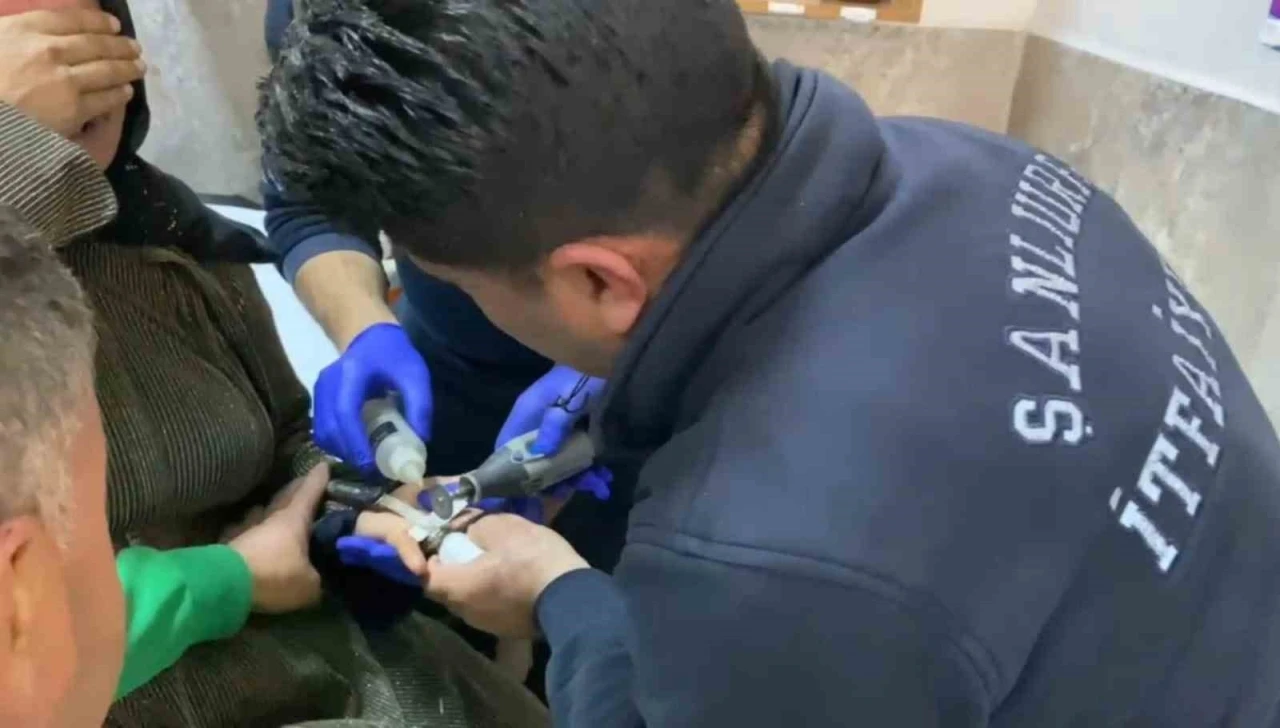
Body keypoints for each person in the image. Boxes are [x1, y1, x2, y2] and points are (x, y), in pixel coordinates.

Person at [260, 0, 1280, 725]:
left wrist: (560, 593)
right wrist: (635, 389)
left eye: (453, 283)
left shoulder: (764, 574)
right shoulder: (986, 169)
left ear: (602, 281)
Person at [0, 1, 549, 726]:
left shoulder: (166, 241)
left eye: (86, 29)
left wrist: (361, 512)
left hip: (352, 672)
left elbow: (286, 443)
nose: (64, 68)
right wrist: (226, 581)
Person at [259, 0, 629, 582]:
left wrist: (625, 357)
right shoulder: (316, 15)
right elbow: (310, 198)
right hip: (449, 378)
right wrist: (364, 328)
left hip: (644, 373)